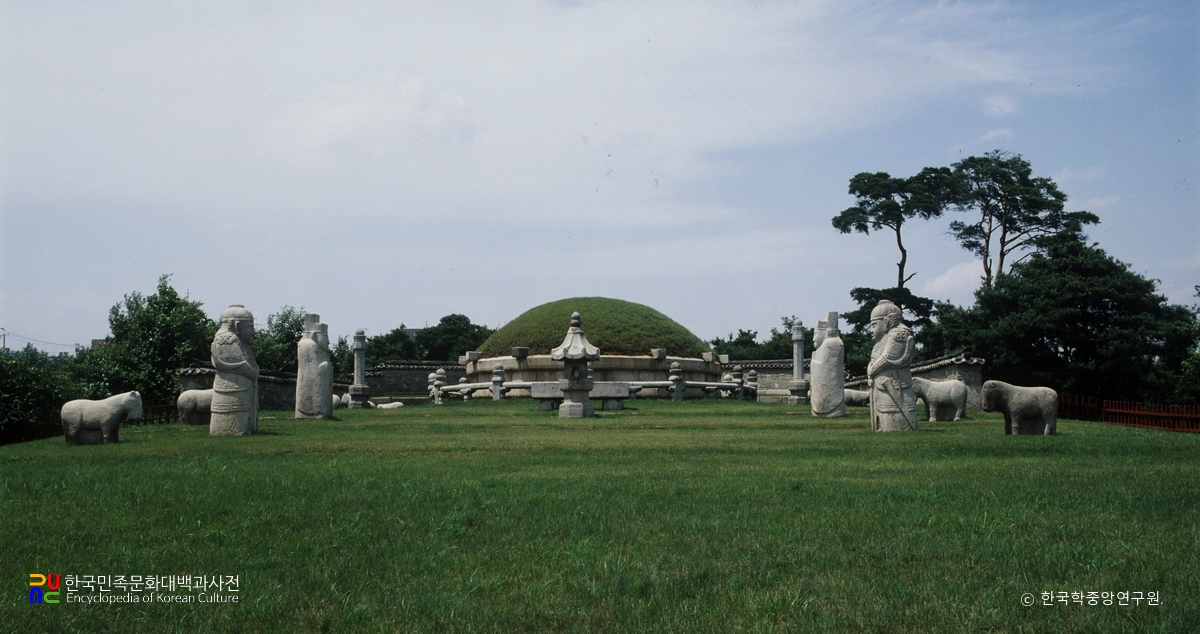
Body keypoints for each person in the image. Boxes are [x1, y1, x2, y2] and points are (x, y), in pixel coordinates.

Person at [867, 300, 918, 431]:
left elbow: (887, 358)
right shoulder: (881, 341)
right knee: (884, 414)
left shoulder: (899, 334)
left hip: (896, 385)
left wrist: (871, 371)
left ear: (886, 322)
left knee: (896, 417)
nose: (871, 330)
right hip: (883, 386)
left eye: (873, 325)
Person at [210, 304, 259, 435]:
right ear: (237, 325)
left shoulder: (241, 342)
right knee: (233, 419)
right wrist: (253, 373)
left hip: (241, 388)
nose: (253, 332)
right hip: (231, 388)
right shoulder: (226, 339)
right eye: (250, 327)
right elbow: (240, 364)